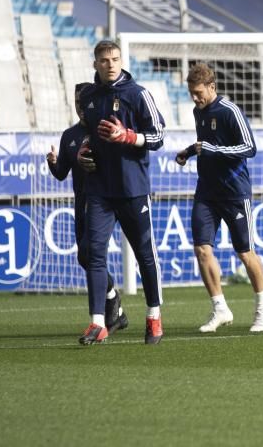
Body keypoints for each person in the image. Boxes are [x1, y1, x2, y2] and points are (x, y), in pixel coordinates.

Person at [77, 40, 166, 345]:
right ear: (96, 64)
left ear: (121, 60)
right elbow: (89, 134)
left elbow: (159, 136)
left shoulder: (137, 94)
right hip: (100, 189)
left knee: (145, 256)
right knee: (92, 252)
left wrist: (128, 136)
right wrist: (85, 150)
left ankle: (154, 316)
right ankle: (98, 322)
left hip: (133, 189)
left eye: (115, 59)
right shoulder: (89, 96)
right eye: (104, 60)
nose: (111, 64)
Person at [174, 63, 263, 333]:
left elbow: (249, 147)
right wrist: (187, 153)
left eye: (199, 92)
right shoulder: (198, 112)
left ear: (212, 87)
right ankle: (220, 308)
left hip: (234, 191)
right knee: (202, 249)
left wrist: (213, 150)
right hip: (206, 191)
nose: (195, 98)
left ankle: (262, 307)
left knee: (245, 252)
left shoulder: (229, 111)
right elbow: (204, 144)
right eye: (191, 93)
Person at [46, 82, 127, 335]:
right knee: (84, 257)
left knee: (92, 252)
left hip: (103, 201)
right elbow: (61, 174)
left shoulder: (103, 130)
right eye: (78, 102)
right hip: (81, 203)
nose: (82, 107)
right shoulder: (69, 135)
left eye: (85, 101)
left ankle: (104, 315)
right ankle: (114, 301)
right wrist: (53, 163)